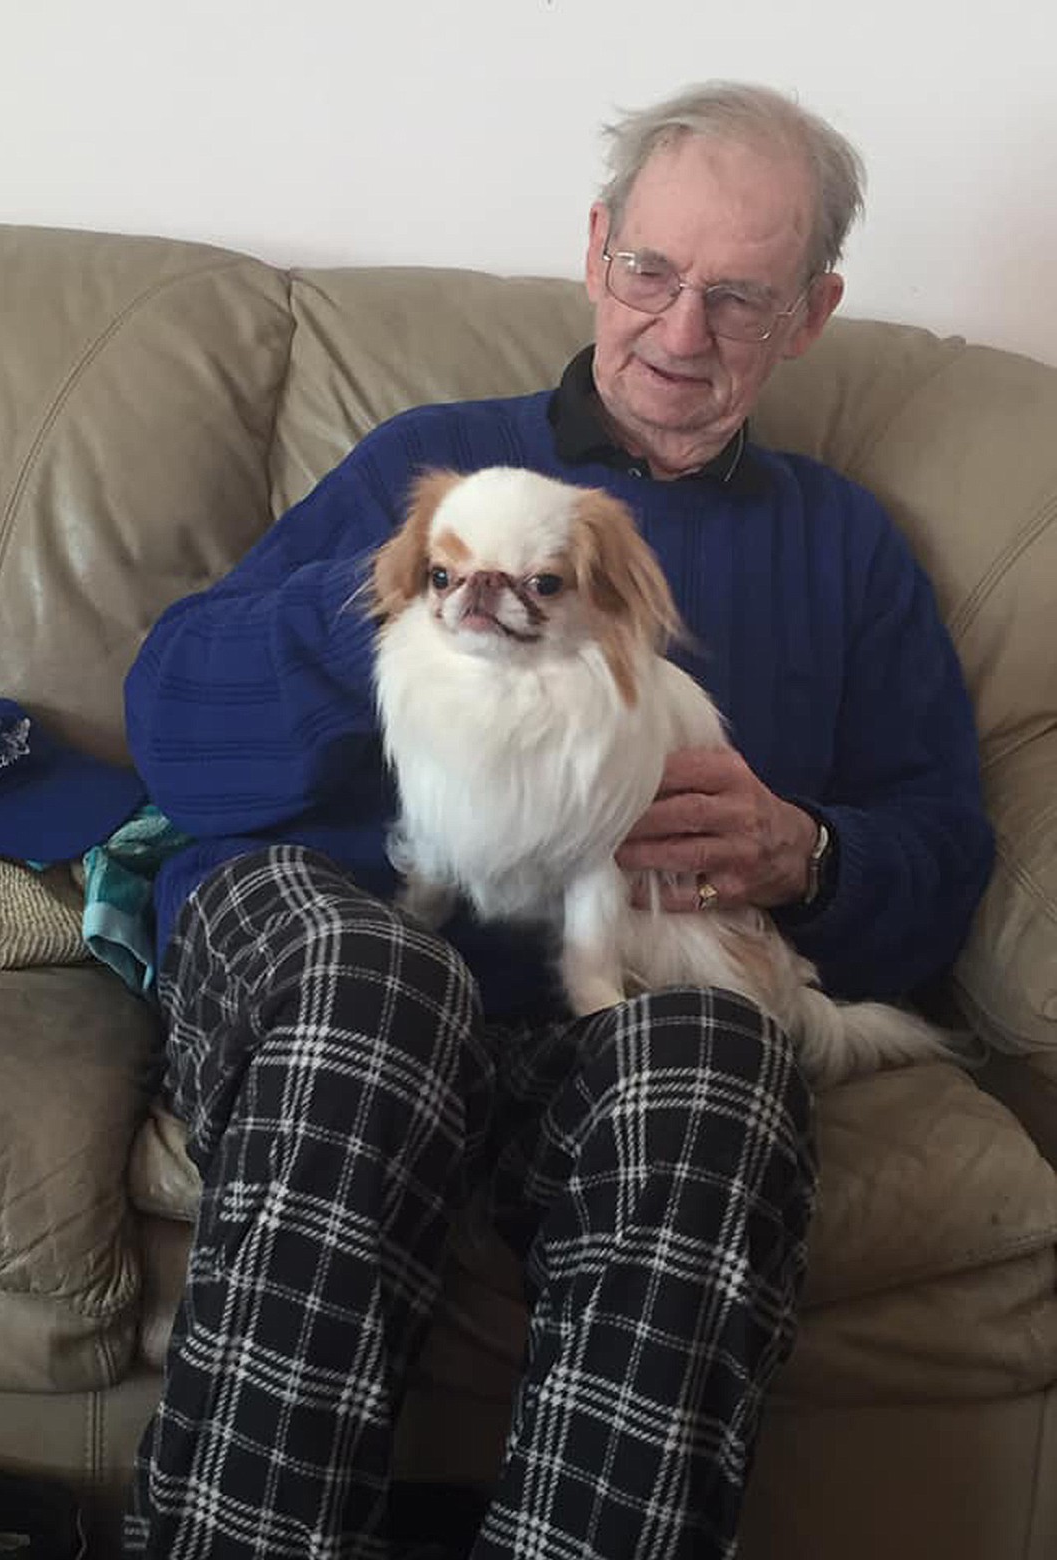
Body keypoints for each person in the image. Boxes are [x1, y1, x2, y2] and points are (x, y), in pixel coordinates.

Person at [121, 82, 993, 1559]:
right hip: (336, 947)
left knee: (713, 1060)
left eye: (740, 296)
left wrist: (808, 852)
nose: (678, 329)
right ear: (597, 250)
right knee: (371, 991)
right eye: (651, 272)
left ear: (811, 313)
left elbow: (941, 852)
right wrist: (406, 610)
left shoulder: (838, 545)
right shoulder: (442, 465)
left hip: (601, 1008)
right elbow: (175, 732)